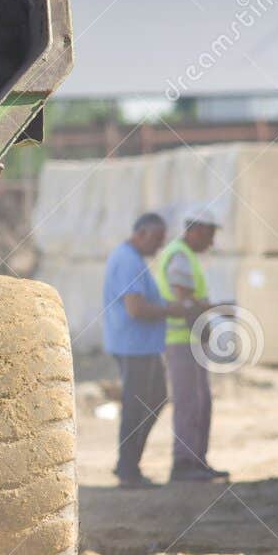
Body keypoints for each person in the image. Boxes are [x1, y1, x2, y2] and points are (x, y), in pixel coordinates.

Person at [154, 202, 230, 482]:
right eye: (210, 233)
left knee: (200, 402)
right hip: (181, 340)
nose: (212, 240)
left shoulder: (185, 255)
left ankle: (196, 462)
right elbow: (184, 301)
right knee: (189, 403)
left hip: (189, 340)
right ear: (195, 230)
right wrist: (205, 321)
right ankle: (184, 465)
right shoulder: (180, 256)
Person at [102, 213, 171, 489]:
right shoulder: (128, 261)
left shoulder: (133, 259)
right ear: (140, 234)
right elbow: (136, 308)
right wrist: (174, 310)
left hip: (142, 346)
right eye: (155, 239)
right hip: (134, 347)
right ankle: (128, 470)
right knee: (137, 406)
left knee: (154, 400)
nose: (158, 246)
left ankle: (128, 465)